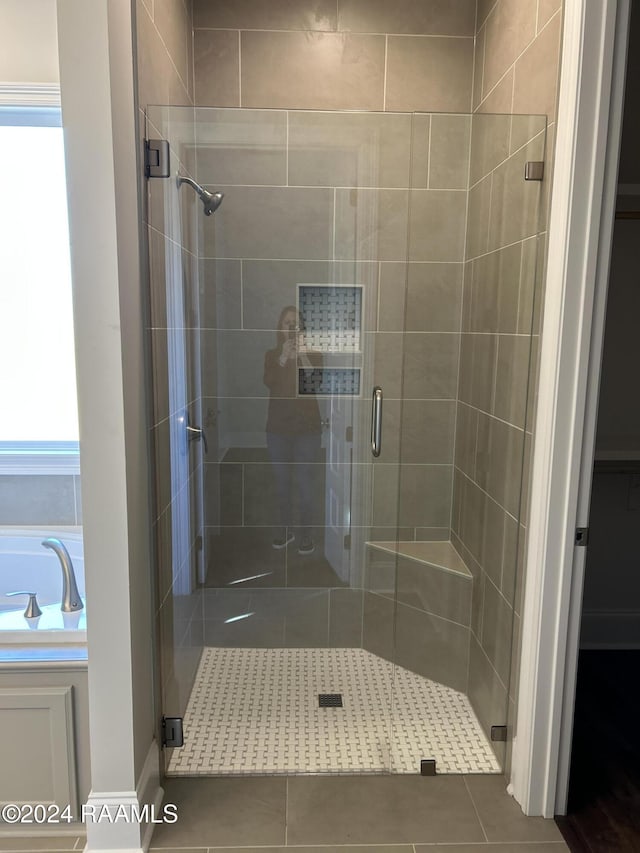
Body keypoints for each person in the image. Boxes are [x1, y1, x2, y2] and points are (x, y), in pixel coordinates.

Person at [263, 306, 322, 554]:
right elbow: (269, 382)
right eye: (287, 322)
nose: (291, 327)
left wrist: (303, 355)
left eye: (296, 323)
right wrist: (284, 357)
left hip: (307, 429)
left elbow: (316, 382)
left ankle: (306, 534)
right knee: (281, 484)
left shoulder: (314, 354)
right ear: (280, 327)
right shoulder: (271, 354)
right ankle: (284, 530)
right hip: (278, 428)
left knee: (306, 485)